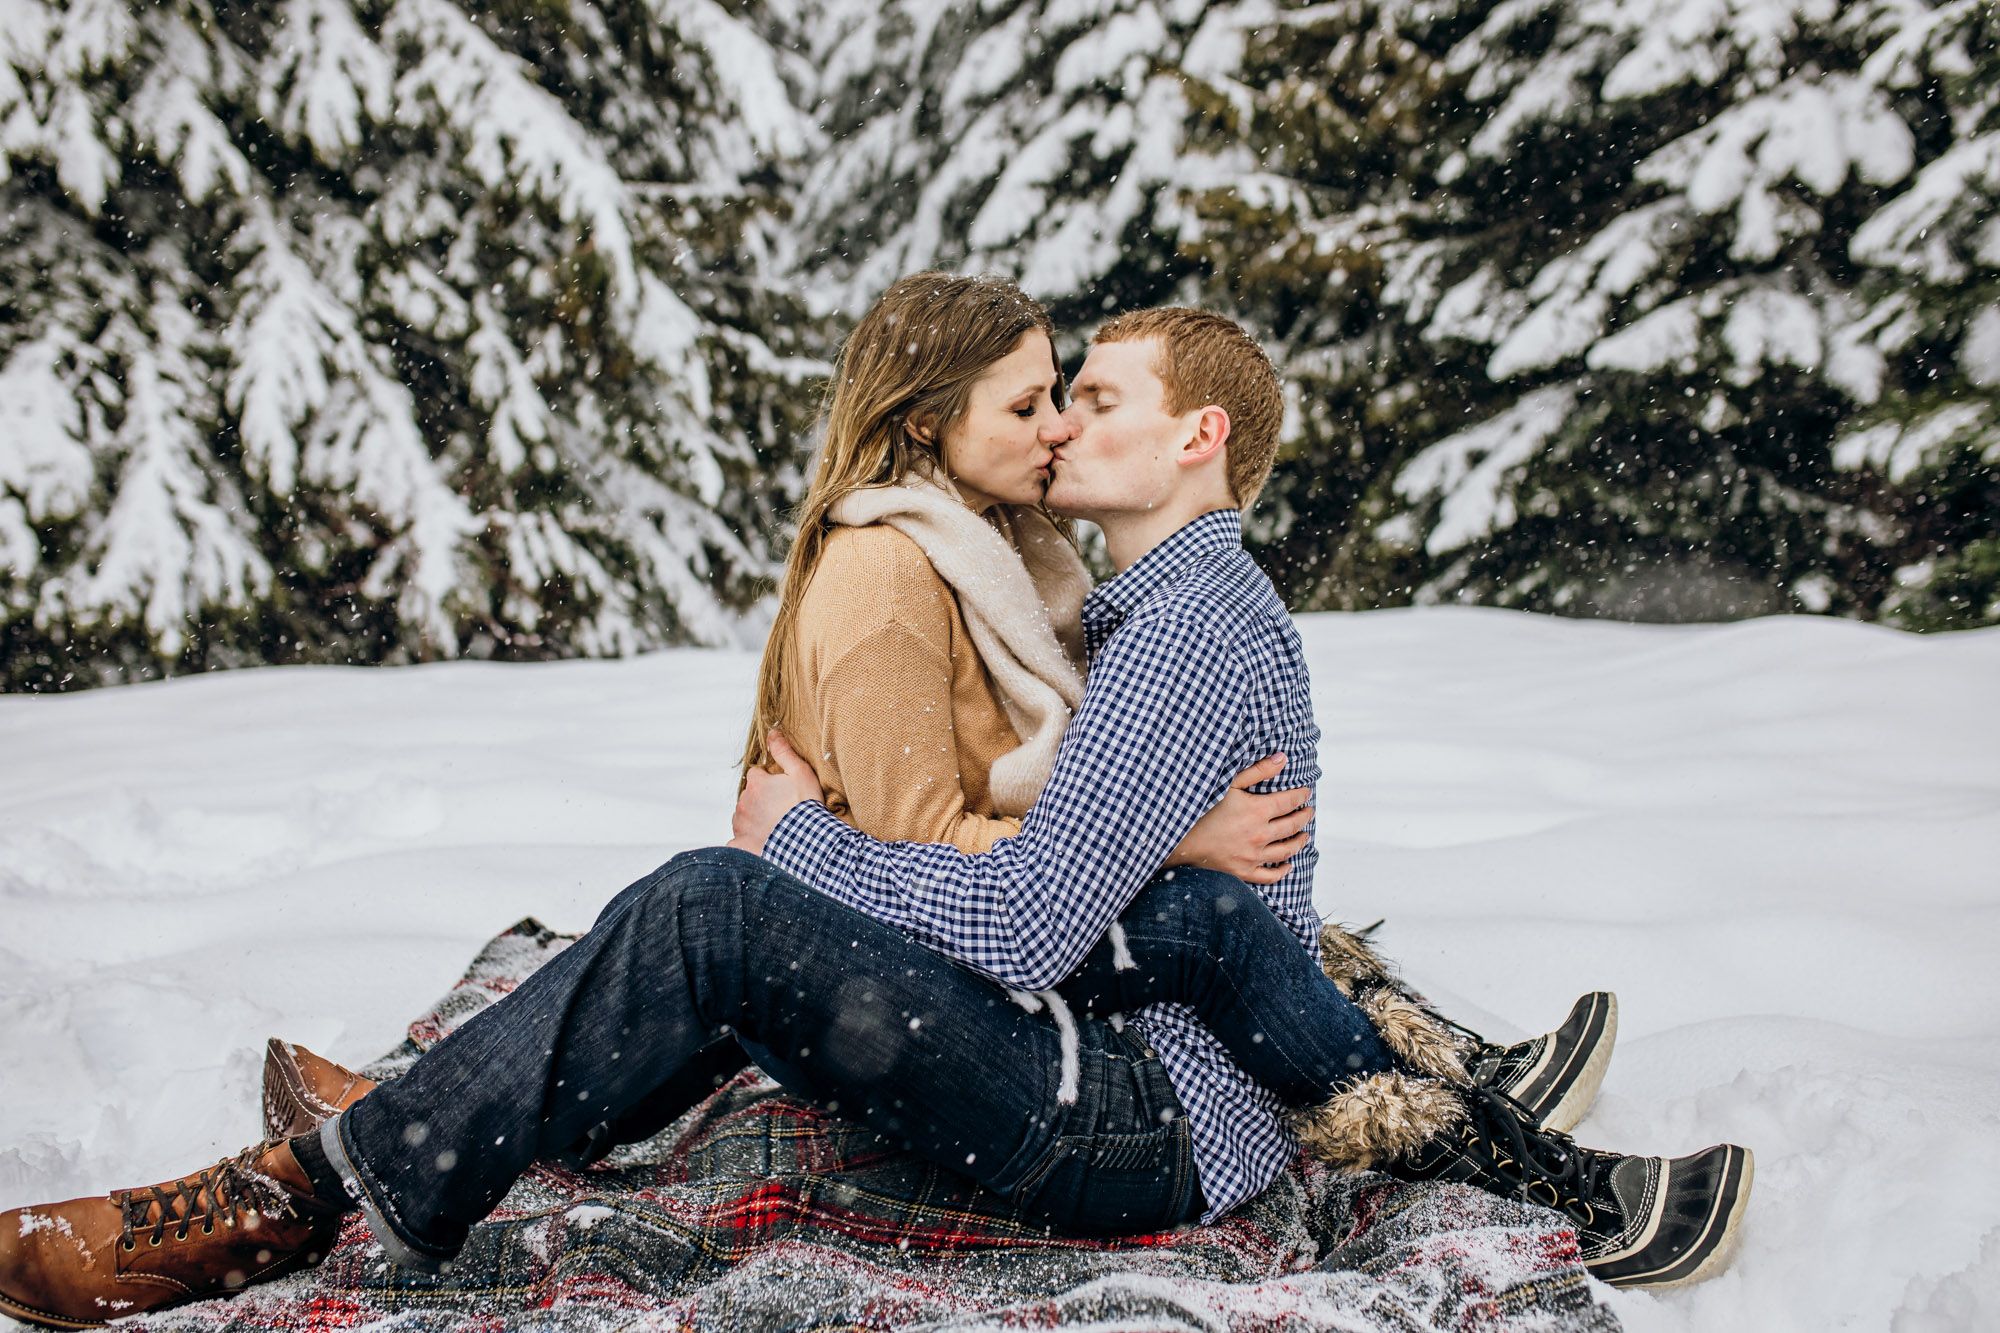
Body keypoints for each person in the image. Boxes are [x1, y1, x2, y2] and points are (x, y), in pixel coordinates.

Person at [0, 287, 1745, 1331]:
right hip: (1119, 1041)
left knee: (712, 906)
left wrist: (798, 846)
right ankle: (388, 1145)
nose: (1065, 425)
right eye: (1045, 399)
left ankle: (306, 1191)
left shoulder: (1193, 621)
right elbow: (1116, 881)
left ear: (1198, 439)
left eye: (1098, 398)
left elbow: (1022, 920)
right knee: (700, 934)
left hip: (1131, 1117)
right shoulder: (1129, 606)